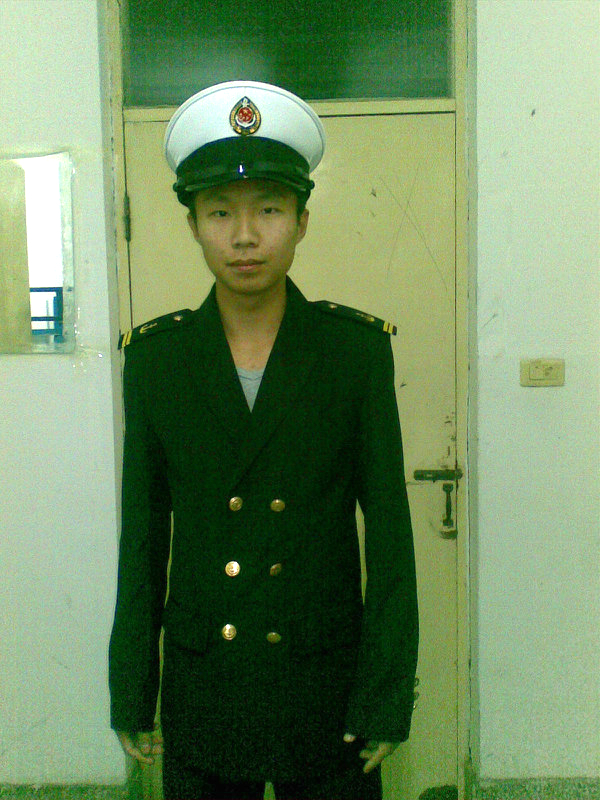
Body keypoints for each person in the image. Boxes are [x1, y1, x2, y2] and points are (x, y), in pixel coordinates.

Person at [109, 80, 418, 800]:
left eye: (269, 210)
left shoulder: (353, 352)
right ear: (193, 225)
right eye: (220, 212)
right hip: (207, 680)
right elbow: (143, 539)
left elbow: (390, 535)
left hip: (325, 678)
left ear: (302, 221)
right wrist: (132, 690)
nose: (244, 236)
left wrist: (384, 696)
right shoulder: (158, 360)